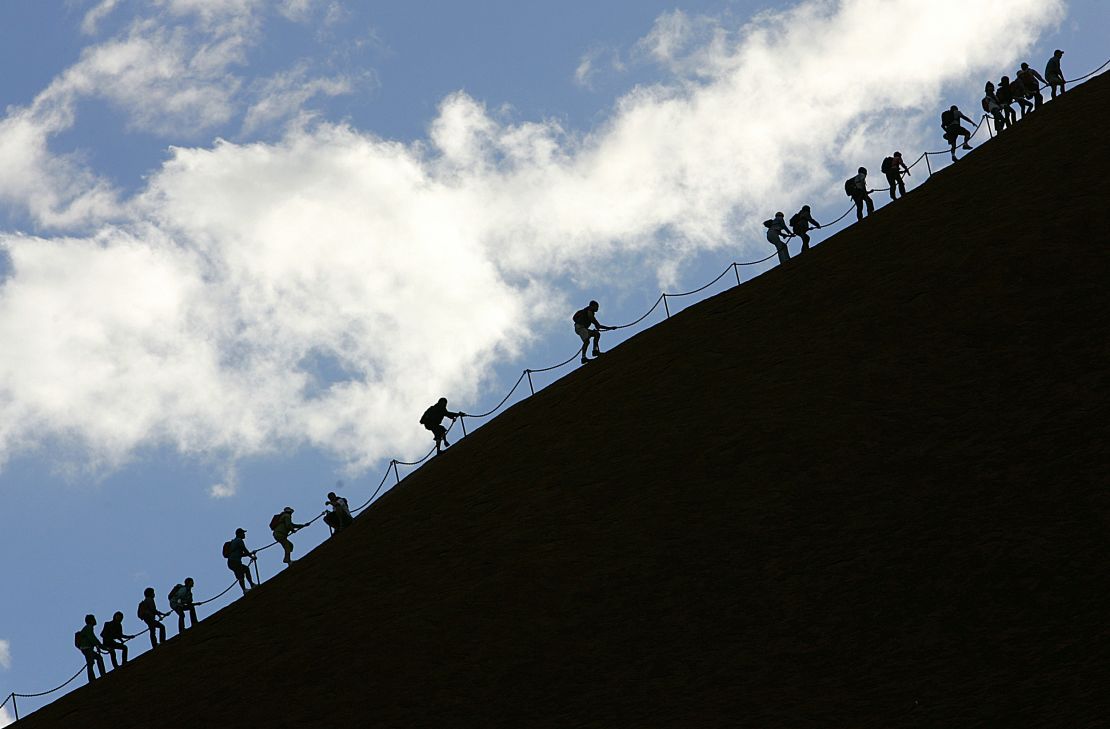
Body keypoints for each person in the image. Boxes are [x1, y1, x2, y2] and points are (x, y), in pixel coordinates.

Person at [572, 300, 614, 365]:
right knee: (587, 341)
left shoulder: (587, 311)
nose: (597, 308)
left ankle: (595, 351)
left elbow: (597, 325)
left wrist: (610, 328)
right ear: (593, 306)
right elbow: (593, 321)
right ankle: (583, 358)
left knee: (596, 334)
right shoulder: (589, 310)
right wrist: (608, 327)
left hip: (582, 328)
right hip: (580, 327)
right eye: (597, 307)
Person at [74, 614, 106, 683]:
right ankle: (93, 679)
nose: (95, 620)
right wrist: (100, 646)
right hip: (86, 648)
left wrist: (99, 646)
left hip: (86, 648)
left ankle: (100, 675)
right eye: (94, 619)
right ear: (91, 620)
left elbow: (92, 639)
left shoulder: (87, 628)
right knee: (91, 662)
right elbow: (92, 637)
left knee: (97, 658)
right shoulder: (88, 627)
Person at [225, 528, 257, 595]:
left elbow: (241, 554)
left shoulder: (234, 542)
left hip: (232, 562)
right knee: (241, 574)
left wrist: (250, 554)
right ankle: (246, 589)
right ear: (239, 534)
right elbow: (244, 550)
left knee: (245, 570)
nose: (244, 534)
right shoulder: (239, 540)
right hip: (234, 561)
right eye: (243, 533)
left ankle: (250, 585)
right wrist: (251, 556)